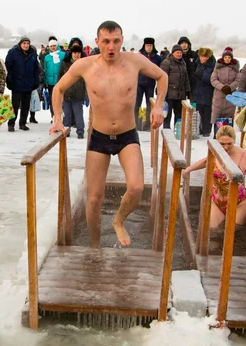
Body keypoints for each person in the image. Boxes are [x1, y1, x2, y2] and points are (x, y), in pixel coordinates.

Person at [49, 20, 168, 248]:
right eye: (106, 42)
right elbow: (59, 88)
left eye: (116, 41)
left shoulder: (134, 61)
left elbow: (162, 76)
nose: (111, 47)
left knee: (136, 187)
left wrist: (158, 106)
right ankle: (95, 245)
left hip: (127, 135)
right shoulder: (85, 65)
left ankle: (118, 220)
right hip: (100, 138)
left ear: (122, 41)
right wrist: (57, 118)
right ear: (97, 42)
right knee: (94, 198)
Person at [182, 125, 246, 228]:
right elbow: (205, 161)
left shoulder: (244, 155)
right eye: (222, 144)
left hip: (239, 203)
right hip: (217, 202)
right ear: (217, 142)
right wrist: (187, 170)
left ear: (234, 141)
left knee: (235, 232)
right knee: (212, 232)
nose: (226, 147)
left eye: (229, 144)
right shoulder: (215, 152)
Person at [5, 36, 40, 131]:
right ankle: (11, 124)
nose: (26, 45)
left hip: (28, 83)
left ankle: (22, 123)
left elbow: (36, 69)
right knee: (15, 105)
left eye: (28, 43)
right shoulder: (13, 52)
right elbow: (8, 67)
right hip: (17, 83)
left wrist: (36, 81)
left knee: (26, 106)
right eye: (24, 43)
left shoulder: (33, 54)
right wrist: (10, 80)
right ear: (20, 44)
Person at [58, 41, 86, 139]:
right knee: (67, 114)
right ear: (71, 54)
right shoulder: (65, 64)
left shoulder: (84, 64)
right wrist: (60, 91)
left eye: (78, 53)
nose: (76, 55)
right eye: (75, 53)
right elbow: (60, 78)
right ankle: (66, 130)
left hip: (78, 94)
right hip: (66, 92)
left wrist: (86, 92)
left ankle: (80, 131)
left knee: (78, 114)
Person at [210, 49, 240, 137]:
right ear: (223, 58)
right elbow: (213, 79)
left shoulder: (235, 68)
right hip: (219, 95)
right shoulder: (218, 68)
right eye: (225, 57)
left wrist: (230, 87)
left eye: (229, 57)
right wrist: (222, 87)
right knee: (217, 116)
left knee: (229, 117)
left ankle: (228, 136)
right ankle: (216, 135)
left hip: (230, 96)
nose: (227, 59)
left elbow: (238, 80)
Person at [134, 37, 162, 131]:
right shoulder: (139, 56)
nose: (149, 47)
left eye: (150, 45)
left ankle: (148, 124)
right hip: (139, 83)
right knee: (136, 103)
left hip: (150, 83)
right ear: (144, 46)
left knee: (149, 104)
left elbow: (160, 72)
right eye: (147, 45)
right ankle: (135, 124)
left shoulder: (157, 58)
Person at [160, 44, 190, 129]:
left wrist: (187, 90)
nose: (179, 54)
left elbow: (186, 78)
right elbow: (162, 77)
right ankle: (166, 130)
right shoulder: (166, 62)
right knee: (167, 114)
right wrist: (161, 90)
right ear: (173, 53)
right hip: (169, 93)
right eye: (177, 52)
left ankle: (178, 130)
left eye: (180, 53)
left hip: (180, 93)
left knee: (179, 114)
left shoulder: (183, 63)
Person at [192, 48, 216, 136]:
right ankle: (198, 129)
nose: (202, 58)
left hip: (208, 92)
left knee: (207, 112)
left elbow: (212, 79)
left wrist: (201, 76)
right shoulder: (197, 63)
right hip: (197, 91)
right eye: (201, 56)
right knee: (198, 111)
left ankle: (206, 130)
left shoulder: (213, 66)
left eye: (204, 57)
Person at [43, 38, 66, 118]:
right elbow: (45, 69)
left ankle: (62, 115)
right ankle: (54, 116)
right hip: (50, 82)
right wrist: (45, 81)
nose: (53, 47)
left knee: (61, 99)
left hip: (60, 81)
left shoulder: (63, 55)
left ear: (57, 46)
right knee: (53, 100)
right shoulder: (47, 57)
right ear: (49, 47)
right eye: (51, 46)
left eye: (54, 46)